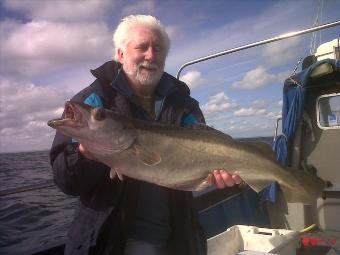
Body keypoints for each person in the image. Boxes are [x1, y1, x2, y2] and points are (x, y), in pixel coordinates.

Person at [50, 15, 241, 255]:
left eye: (158, 49)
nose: (151, 55)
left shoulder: (184, 104)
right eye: (142, 47)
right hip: (109, 243)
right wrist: (84, 155)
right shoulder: (93, 100)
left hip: (178, 240)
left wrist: (222, 175)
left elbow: (205, 147)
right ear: (120, 54)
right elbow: (65, 179)